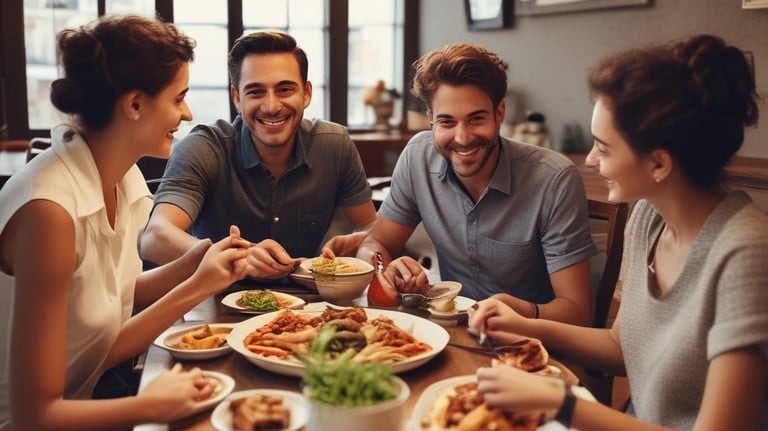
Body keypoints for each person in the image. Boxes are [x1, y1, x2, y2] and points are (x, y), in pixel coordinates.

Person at [468, 34, 768, 430]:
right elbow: (622, 346)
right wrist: (524, 324)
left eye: (603, 148)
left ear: (658, 164)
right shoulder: (647, 217)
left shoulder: (747, 254)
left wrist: (563, 403)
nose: (591, 160)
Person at [0, 15, 250, 430]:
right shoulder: (50, 211)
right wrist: (149, 405)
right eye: (178, 98)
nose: (187, 113)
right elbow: (32, 416)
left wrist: (198, 267)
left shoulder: (122, 178)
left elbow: (107, 313)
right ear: (134, 105)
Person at [356, 43, 597, 325]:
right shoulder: (417, 157)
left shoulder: (554, 180)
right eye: (446, 122)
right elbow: (375, 243)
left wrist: (517, 310)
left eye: (476, 119)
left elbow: (577, 314)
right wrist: (386, 268)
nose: (462, 137)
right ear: (431, 120)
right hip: (452, 333)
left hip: (532, 344)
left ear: (499, 114)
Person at [139, 30, 377, 280]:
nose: (272, 106)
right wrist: (237, 257)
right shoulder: (203, 147)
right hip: (216, 302)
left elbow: (369, 227)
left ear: (306, 94)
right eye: (256, 92)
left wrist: (362, 247)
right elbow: (155, 237)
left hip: (310, 306)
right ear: (237, 98)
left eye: (285, 89)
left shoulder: (334, 145)